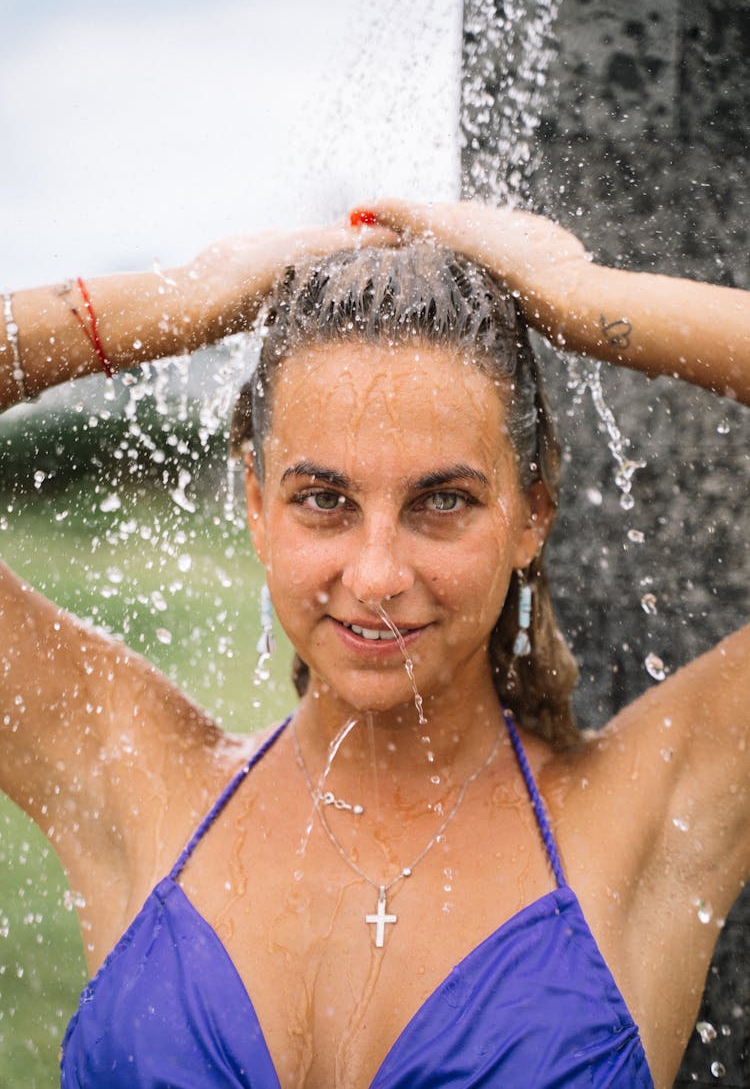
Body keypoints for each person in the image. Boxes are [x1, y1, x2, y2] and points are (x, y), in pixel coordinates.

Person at [0, 199, 747, 1088]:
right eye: (324, 498)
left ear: (532, 515)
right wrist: (188, 297)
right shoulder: (135, 775)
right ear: (254, 504)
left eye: (443, 501)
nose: (377, 574)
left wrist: (582, 299)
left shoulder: (650, 814)